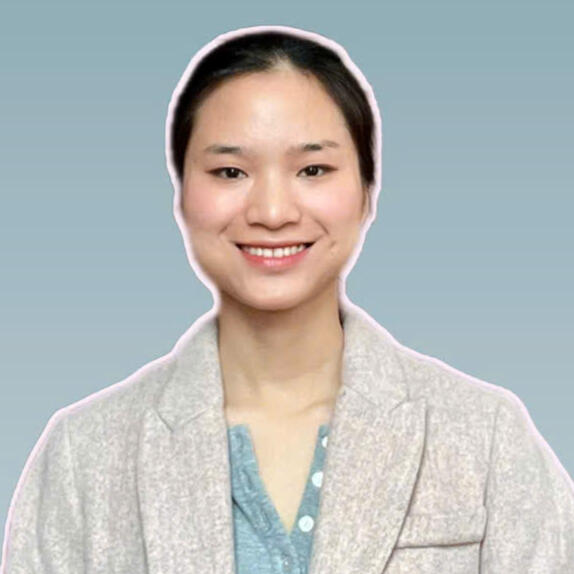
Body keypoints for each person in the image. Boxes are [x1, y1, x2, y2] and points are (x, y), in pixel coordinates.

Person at [2, 24, 574, 574]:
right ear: (181, 192)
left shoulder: (486, 437)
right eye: (230, 171)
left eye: (313, 169)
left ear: (368, 191)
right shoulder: (85, 455)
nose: (272, 212)